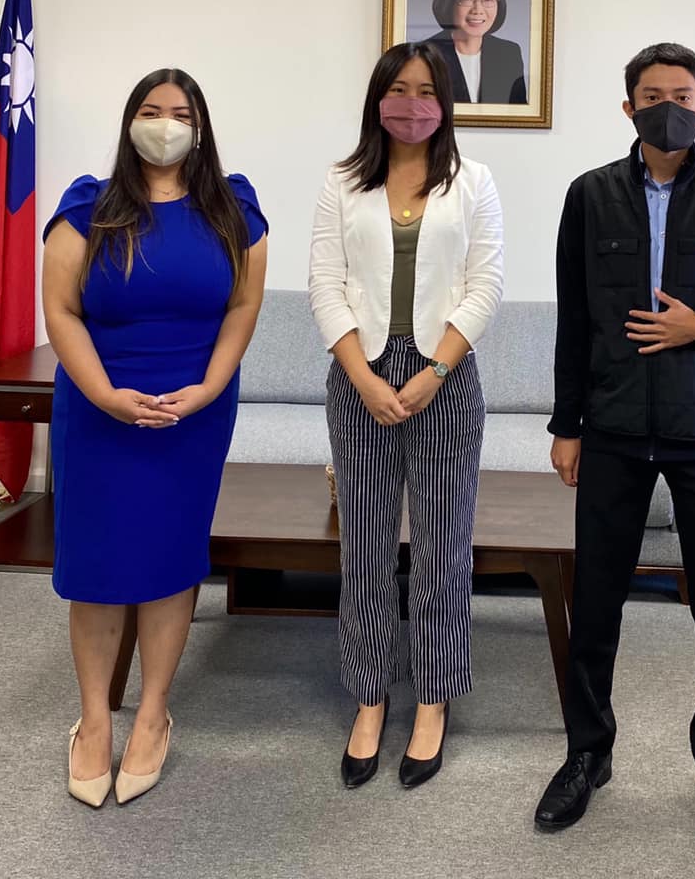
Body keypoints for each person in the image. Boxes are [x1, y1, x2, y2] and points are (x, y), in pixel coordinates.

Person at [533, 43, 695, 871]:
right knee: (596, 604)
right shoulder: (588, 196)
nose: (668, 109)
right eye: (652, 96)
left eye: (682, 96)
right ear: (628, 108)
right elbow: (575, 319)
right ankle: (587, 754)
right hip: (613, 429)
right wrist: (567, 424)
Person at [42, 68, 268, 807]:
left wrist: (209, 387)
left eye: (180, 113)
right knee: (98, 567)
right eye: (150, 110)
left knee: (171, 562)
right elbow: (61, 310)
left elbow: (242, 307)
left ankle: (152, 714)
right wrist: (104, 396)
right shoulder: (88, 207)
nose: (164, 124)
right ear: (129, 121)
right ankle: (93, 720)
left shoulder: (233, 209)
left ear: (200, 128)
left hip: (190, 415)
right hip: (98, 411)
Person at [309, 42, 503, 789]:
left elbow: (485, 285)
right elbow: (324, 283)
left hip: (444, 376)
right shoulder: (342, 181)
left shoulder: (474, 181)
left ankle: (431, 698)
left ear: (445, 103)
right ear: (377, 99)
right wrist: (362, 378)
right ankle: (369, 696)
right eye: (398, 89)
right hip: (360, 373)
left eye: (427, 91)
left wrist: (436, 372)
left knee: (442, 550)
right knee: (363, 548)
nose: (412, 104)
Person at [426, 0, 527, 105]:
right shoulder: (425, 55)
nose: (478, 10)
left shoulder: (508, 54)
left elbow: (519, 113)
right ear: (448, 0)